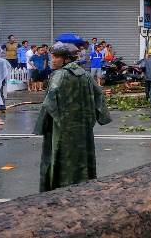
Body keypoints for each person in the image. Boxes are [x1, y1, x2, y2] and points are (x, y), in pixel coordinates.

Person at [34, 42, 111, 192]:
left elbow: (48, 104)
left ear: (67, 59)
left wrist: (42, 126)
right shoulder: (86, 75)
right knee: (81, 159)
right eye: (52, 56)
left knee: (59, 160)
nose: (52, 60)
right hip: (83, 129)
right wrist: (98, 118)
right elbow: (99, 94)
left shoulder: (58, 76)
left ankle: (59, 190)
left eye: (56, 57)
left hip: (62, 129)